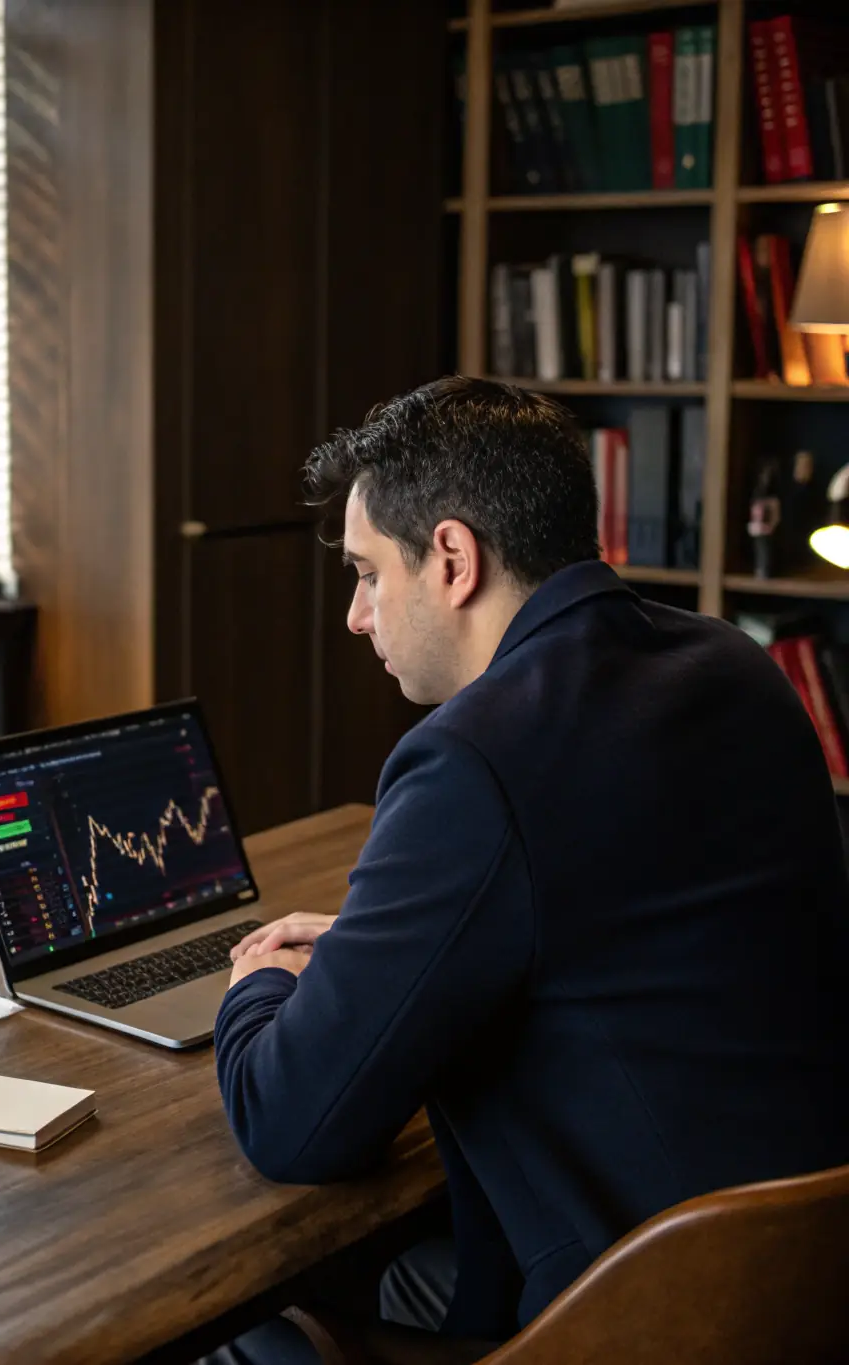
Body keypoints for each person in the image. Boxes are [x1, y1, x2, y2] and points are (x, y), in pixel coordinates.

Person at [203, 376, 849, 1364]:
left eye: (368, 573)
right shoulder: (732, 666)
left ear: (452, 560)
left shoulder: (470, 760)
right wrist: (383, 954)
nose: (355, 615)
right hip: (801, 1281)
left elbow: (293, 1125)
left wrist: (256, 987)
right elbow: (627, 918)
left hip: (633, 1312)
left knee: (244, 1336)